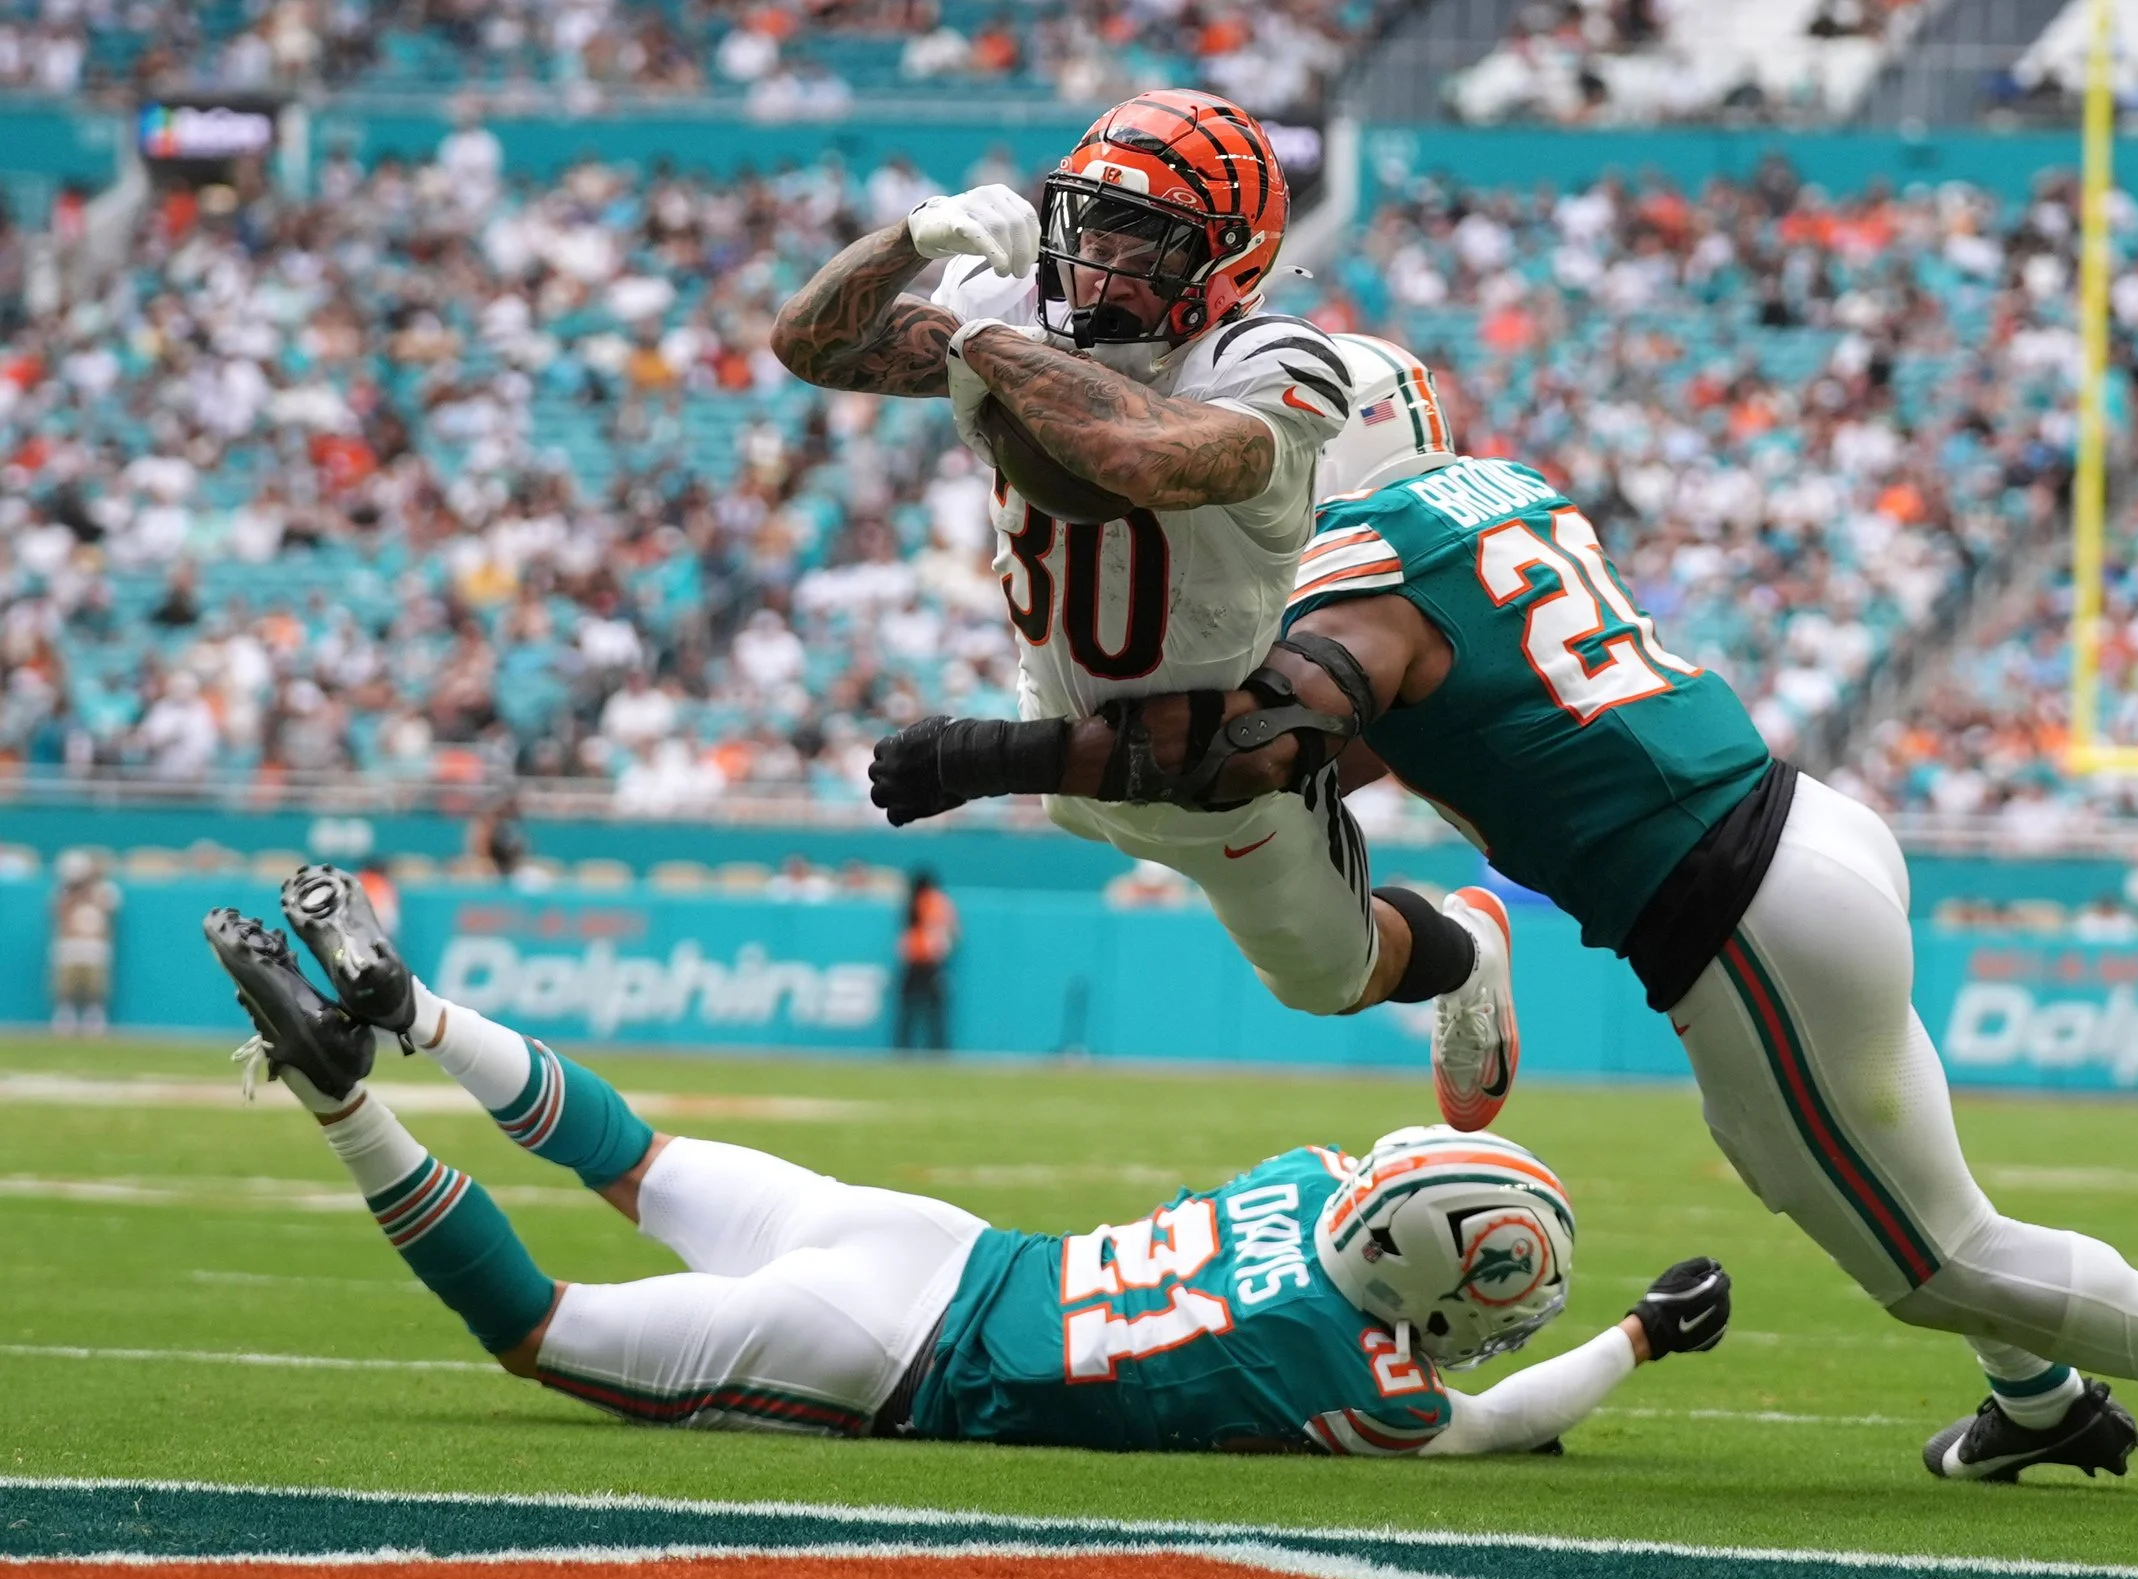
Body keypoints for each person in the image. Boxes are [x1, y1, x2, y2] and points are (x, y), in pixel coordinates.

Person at [870, 335, 2138, 1512]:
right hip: (1811, 835)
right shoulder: (1498, 502)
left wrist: (992, 752)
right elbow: (1397, 716)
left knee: (1931, 1254)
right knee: (1843, 1167)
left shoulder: (1368, 566)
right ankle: (2038, 1393)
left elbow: (1259, 744)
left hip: (1737, 910)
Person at [199, 867, 1733, 1455]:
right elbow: (1501, 1415)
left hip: (936, 1241)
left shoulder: (1300, 1173)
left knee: (644, 1164)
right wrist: (1648, 1332)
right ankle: (350, 1099)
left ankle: (417, 1009)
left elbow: (1412, 1161)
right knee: (547, 1329)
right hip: (896, 1355)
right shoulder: (1344, 1364)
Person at [768, 89, 1519, 1132]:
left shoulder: (1273, 365)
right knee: (1109, 796)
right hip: (1072, 732)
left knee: (1323, 979)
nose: (1101, 266)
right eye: (1092, 226)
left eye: (1147, 243)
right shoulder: (1021, 307)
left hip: (1223, 759)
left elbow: (1137, 458)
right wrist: (911, 238)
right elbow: (808, 344)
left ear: (1229, 267)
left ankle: (1465, 951)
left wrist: (971, 341)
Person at [50, 850, 117, 1034]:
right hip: (70, 943)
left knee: (95, 986)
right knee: (66, 985)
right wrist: (74, 892)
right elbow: (57, 911)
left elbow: (109, 909)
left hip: (95, 944)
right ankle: (66, 1017)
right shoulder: (63, 891)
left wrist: (89, 890)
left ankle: (94, 1018)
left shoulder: (104, 889)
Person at [895, 869, 958, 1051]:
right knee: (925, 1009)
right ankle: (933, 1047)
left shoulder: (930, 901)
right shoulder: (930, 901)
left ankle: (927, 1048)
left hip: (926, 961)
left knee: (922, 1009)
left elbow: (940, 931)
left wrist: (938, 951)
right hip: (922, 960)